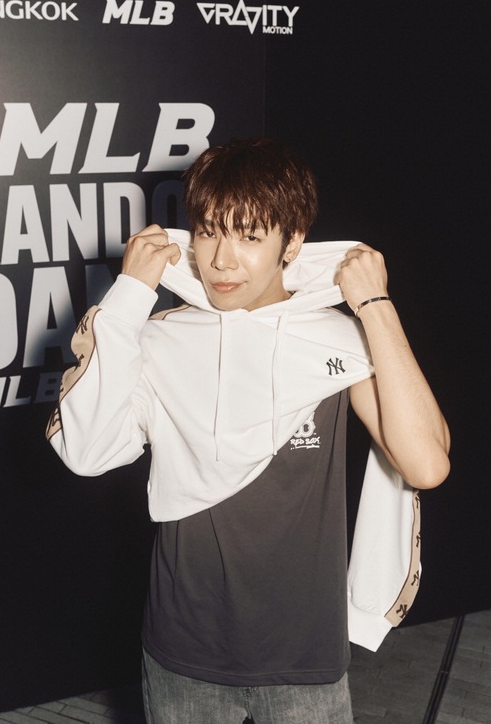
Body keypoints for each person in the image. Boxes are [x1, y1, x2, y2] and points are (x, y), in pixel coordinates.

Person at [46, 137, 450, 724]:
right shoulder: (160, 338)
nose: (222, 261)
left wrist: (376, 306)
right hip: (183, 653)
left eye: (249, 237)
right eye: (209, 232)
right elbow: (85, 452)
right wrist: (130, 296)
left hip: (305, 658)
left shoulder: (336, 338)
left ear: (293, 243)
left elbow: (427, 464)